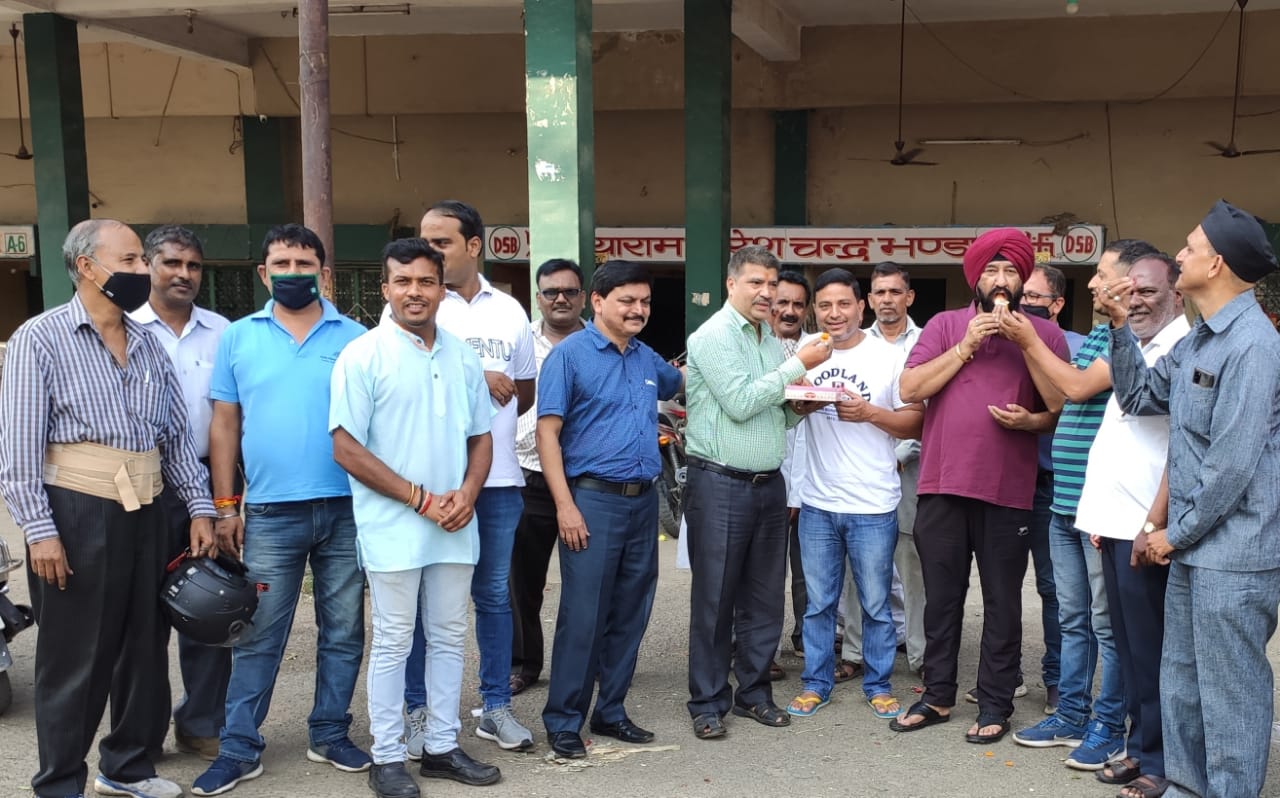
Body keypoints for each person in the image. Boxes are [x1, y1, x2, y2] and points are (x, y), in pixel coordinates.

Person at [0, 219, 217, 798]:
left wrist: (200, 507)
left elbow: (176, 438)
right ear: (87, 267)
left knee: (145, 647)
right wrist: (40, 532)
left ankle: (127, 767)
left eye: (142, 260)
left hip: (150, 509)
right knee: (76, 656)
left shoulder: (146, 344)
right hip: (77, 512)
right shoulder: (39, 339)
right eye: (131, 260)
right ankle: (59, 783)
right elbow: (17, 451)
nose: (144, 270)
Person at [1103, 200, 1280, 798]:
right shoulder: (1198, 340)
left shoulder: (1253, 346)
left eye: (1189, 247)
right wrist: (1119, 328)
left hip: (1235, 556)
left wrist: (1172, 535)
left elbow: (1232, 465)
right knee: (1182, 681)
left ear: (1218, 263)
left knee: (1230, 692)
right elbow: (1139, 397)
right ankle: (1185, 786)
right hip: (1193, 546)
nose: (1178, 256)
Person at [193, 224, 371, 796]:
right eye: (282, 264)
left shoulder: (357, 338)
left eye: (304, 263)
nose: (293, 273)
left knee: (343, 630)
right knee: (258, 634)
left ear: (324, 273)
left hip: (347, 508)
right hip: (270, 513)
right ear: (263, 274)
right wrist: (226, 506)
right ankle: (239, 747)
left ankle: (330, 732)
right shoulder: (238, 337)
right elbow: (225, 425)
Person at [331, 239, 498, 798]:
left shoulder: (462, 356)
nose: (415, 292)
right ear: (385, 289)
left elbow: (481, 437)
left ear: (443, 289)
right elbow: (345, 448)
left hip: (455, 522)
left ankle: (442, 748)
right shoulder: (363, 354)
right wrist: (421, 500)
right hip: (395, 526)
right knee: (394, 641)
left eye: (426, 281)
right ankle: (386, 756)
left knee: (450, 636)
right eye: (403, 282)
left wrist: (468, 493)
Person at [891, 228, 1068, 745]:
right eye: (992, 270)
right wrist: (966, 346)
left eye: (1011, 271)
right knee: (941, 600)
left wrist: (1031, 410)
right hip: (942, 485)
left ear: (1023, 280)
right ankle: (937, 695)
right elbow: (910, 388)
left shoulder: (1043, 333)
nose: (1001, 279)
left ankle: (995, 702)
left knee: (1003, 602)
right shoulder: (946, 325)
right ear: (975, 278)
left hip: (1008, 491)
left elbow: (1059, 405)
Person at [1002, 242, 1157, 769]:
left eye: (1101, 274)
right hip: (1068, 499)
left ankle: (1108, 727)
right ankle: (1071, 714)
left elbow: (1073, 388)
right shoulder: (1096, 333)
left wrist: (1028, 338)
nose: (1091, 283)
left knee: (1106, 625)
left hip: (1104, 506)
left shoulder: (1134, 336)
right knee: (1073, 618)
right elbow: (1058, 395)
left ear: (1130, 281)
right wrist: (1031, 350)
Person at [403, 200, 537, 754]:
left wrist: (500, 383)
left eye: (441, 243)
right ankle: (417, 711)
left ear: (473, 246)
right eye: (424, 241)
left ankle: (495, 707)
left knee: (494, 598)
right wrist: (477, 375)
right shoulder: (411, 305)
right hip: (430, 486)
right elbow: (403, 379)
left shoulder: (509, 310)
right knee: (419, 600)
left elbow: (525, 389)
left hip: (498, 481)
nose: (429, 252)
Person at [536, 260, 684, 758]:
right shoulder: (569, 356)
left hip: (643, 503)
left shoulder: (644, 357)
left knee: (630, 612)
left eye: (644, 301)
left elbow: (678, 381)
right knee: (583, 615)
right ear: (597, 302)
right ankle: (563, 720)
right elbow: (547, 434)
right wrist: (565, 506)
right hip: (591, 501)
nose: (638, 309)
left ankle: (611, 710)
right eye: (627, 301)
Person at [684, 244, 833, 740]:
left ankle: (754, 693)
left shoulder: (768, 338)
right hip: (719, 482)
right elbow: (742, 402)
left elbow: (773, 412)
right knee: (716, 599)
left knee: (765, 599)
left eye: (772, 283)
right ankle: (707, 701)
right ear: (731, 284)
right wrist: (798, 365)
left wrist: (800, 407)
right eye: (756, 282)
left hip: (769, 482)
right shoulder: (713, 335)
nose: (766, 293)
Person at [785, 269, 923, 721]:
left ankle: (878, 684)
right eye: (824, 305)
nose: (834, 313)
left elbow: (916, 420)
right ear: (814, 310)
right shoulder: (807, 352)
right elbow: (787, 408)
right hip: (818, 502)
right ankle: (815, 682)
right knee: (819, 604)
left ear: (861, 307)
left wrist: (868, 413)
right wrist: (801, 405)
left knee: (876, 603)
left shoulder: (889, 356)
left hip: (873, 503)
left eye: (843, 304)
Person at [1075, 252, 1189, 798]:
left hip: (1148, 525)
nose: (1136, 302)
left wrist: (1150, 521)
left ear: (1177, 295)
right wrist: (1102, 515)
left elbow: (1174, 445)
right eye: (1131, 292)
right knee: (1127, 645)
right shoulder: (1136, 344)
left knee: (1152, 650)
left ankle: (1163, 759)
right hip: (1116, 520)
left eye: (1147, 292)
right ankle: (1141, 747)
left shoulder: (1182, 346)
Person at [129, 225, 233, 760]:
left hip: (209, 480)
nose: (183, 274)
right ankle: (141, 733)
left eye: (193, 266)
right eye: (171, 263)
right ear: (148, 265)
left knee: (208, 604)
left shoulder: (223, 332)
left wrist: (226, 501)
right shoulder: (122, 327)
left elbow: (233, 417)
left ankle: (201, 721)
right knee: (140, 613)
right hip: (138, 484)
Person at [839, 261, 921, 682]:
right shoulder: (855, 342)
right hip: (862, 469)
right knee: (861, 566)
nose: (887, 300)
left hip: (911, 468)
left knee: (911, 563)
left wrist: (901, 452)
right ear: (868, 300)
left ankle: (921, 655)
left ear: (909, 297)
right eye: (879, 293)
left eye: (895, 292)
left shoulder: (927, 342)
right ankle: (854, 651)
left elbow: (929, 409)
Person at [509, 259, 587, 696]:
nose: (560, 299)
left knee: (588, 580)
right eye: (551, 292)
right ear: (537, 298)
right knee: (521, 581)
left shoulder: (601, 341)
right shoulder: (519, 342)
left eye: (569, 291)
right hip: (527, 474)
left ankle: (586, 661)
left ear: (583, 297)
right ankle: (523, 663)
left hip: (584, 479)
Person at [770, 269, 810, 675]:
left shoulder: (819, 350)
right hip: (764, 478)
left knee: (809, 570)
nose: (789, 311)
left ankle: (807, 639)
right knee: (764, 571)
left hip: (811, 480)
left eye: (798, 304)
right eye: (782, 302)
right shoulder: (755, 351)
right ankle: (760, 647)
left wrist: (797, 491)